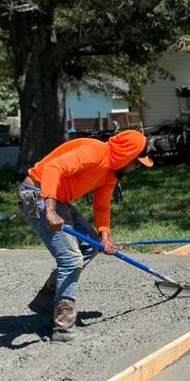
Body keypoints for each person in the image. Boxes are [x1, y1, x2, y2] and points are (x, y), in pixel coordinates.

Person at [18, 130, 153, 342]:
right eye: (136, 162)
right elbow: (54, 168)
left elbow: (102, 206)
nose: (136, 167)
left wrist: (105, 236)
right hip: (36, 195)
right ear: (127, 155)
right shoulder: (95, 152)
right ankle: (63, 328)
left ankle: (47, 299)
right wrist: (50, 211)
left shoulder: (111, 174)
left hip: (57, 201)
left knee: (92, 246)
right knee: (71, 259)